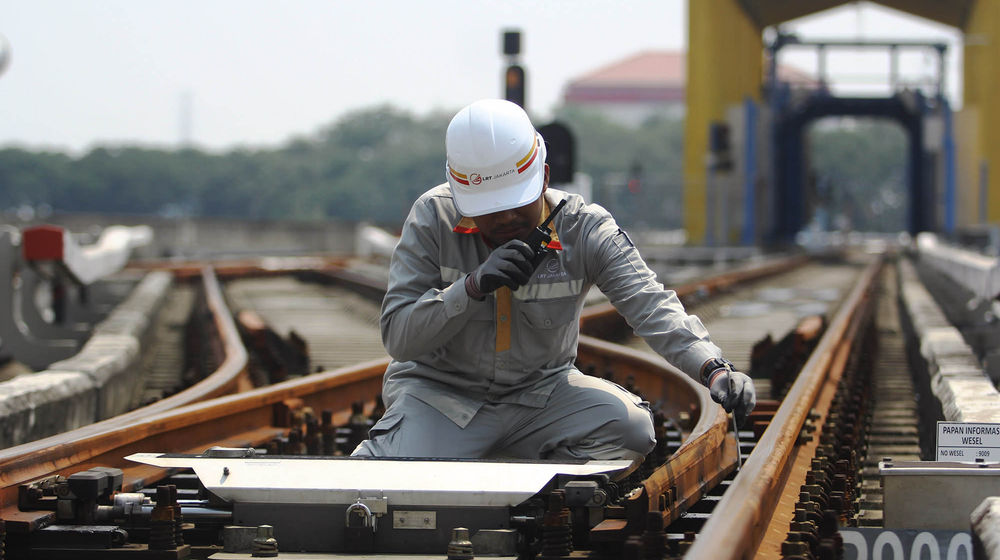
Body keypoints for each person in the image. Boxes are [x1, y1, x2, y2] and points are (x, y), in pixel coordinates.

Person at [352, 99, 754, 462]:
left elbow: (651, 305)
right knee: (381, 472)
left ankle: (522, 478)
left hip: (541, 399)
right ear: (461, 196)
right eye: (491, 209)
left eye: (516, 203)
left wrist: (714, 369)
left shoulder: (584, 229)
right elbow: (400, 339)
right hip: (444, 402)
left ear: (543, 177)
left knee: (631, 430)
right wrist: (471, 288)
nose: (506, 218)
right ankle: (494, 460)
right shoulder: (432, 219)